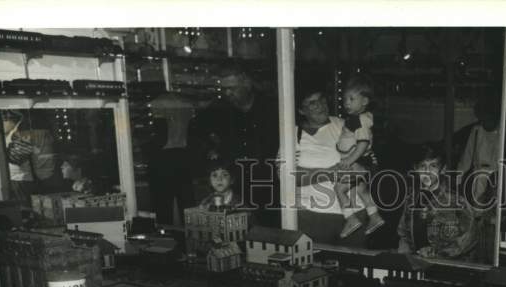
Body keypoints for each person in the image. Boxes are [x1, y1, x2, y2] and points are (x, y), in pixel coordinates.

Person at [195, 64, 279, 221]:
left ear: (246, 84)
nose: (228, 93)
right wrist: (213, 148)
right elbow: (198, 130)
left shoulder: (272, 108)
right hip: (237, 184)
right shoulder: (221, 111)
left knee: (269, 229)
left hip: (270, 183)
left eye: (232, 88)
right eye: (224, 89)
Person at [293, 83, 366, 245]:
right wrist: (331, 173)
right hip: (313, 216)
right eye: (312, 103)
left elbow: (367, 162)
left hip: (354, 212)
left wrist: (363, 166)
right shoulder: (292, 134)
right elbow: (289, 177)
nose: (320, 106)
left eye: (322, 100)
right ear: (301, 110)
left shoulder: (345, 126)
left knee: (353, 266)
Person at [397, 144, 479, 261]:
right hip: (417, 266)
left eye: (433, 166)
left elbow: (469, 238)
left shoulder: (456, 200)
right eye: (422, 166)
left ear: (443, 169)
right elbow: (403, 234)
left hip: (448, 268)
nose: (427, 171)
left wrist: (436, 254)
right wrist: (404, 260)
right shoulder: (412, 199)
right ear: (415, 169)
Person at [334, 75, 385, 238]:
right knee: (361, 190)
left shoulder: (361, 120)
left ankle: (350, 218)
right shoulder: (357, 119)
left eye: (351, 99)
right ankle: (374, 216)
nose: (346, 103)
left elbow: (363, 144)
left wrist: (350, 160)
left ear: (364, 101)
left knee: (339, 189)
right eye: (345, 99)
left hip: (360, 163)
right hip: (364, 163)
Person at [145, 92, 199, 226]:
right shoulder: (186, 103)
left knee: (163, 206)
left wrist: (147, 149)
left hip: (163, 159)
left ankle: (166, 238)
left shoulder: (158, 102)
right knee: (187, 203)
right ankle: (191, 239)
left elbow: (160, 136)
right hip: (184, 156)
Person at [0, 110, 57, 202]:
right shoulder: (14, 132)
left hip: (22, 181)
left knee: (22, 209)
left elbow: (17, 157)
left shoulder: (23, 132)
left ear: (9, 119)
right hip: (19, 178)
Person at [457, 91, 502, 211]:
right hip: (479, 175)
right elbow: (468, 155)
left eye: (490, 116)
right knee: (478, 209)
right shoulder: (476, 131)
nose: (486, 120)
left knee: (494, 209)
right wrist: (458, 177)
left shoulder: (501, 132)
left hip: (497, 176)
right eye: (484, 117)